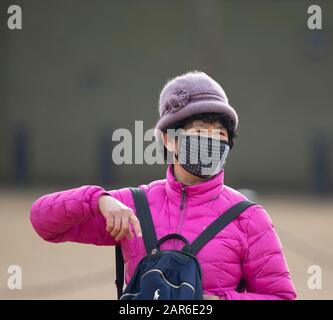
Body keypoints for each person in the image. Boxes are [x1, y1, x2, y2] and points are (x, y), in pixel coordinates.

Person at [30, 71, 297, 300]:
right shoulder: (134, 205)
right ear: (170, 140)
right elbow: (43, 221)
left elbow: (280, 295)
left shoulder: (248, 217)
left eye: (220, 134)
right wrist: (98, 199)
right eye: (201, 131)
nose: (212, 141)